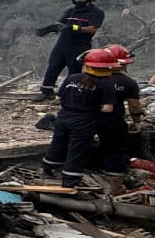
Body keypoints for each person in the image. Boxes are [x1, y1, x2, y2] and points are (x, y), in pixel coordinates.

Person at [42, 49, 118, 188]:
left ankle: (48, 168)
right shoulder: (105, 83)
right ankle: (70, 179)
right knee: (77, 149)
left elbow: (60, 96)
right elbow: (108, 108)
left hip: (63, 116)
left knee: (58, 143)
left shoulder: (72, 77)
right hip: (83, 121)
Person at [37, 0, 105, 98]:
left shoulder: (96, 13)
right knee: (53, 66)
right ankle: (46, 91)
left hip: (79, 46)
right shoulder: (70, 11)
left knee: (74, 70)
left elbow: (92, 29)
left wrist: (74, 28)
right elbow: (61, 24)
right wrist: (50, 28)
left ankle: (70, 93)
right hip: (62, 44)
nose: (78, 1)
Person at [98, 45, 143, 188]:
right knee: (114, 148)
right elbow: (134, 106)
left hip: (88, 118)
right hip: (113, 120)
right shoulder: (128, 82)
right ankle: (113, 177)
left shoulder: (91, 78)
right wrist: (137, 123)